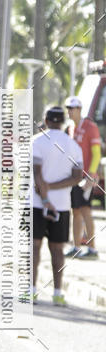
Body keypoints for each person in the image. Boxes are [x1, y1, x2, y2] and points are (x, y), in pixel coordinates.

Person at [31, 106, 83, 306]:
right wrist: (52, 188)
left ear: (45, 120)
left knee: (34, 247)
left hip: (35, 203)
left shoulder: (36, 141)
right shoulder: (73, 146)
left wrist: (45, 197)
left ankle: (31, 291)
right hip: (61, 205)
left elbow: (36, 174)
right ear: (63, 122)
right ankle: (57, 293)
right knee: (57, 250)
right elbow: (77, 177)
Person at [64, 96, 101, 259]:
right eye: (68, 108)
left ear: (79, 109)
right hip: (74, 177)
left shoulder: (90, 127)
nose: (69, 111)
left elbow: (96, 153)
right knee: (76, 211)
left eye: (72, 108)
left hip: (86, 178)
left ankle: (92, 249)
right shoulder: (71, 128)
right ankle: (76, 246)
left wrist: (91, 175)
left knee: (85, 210)